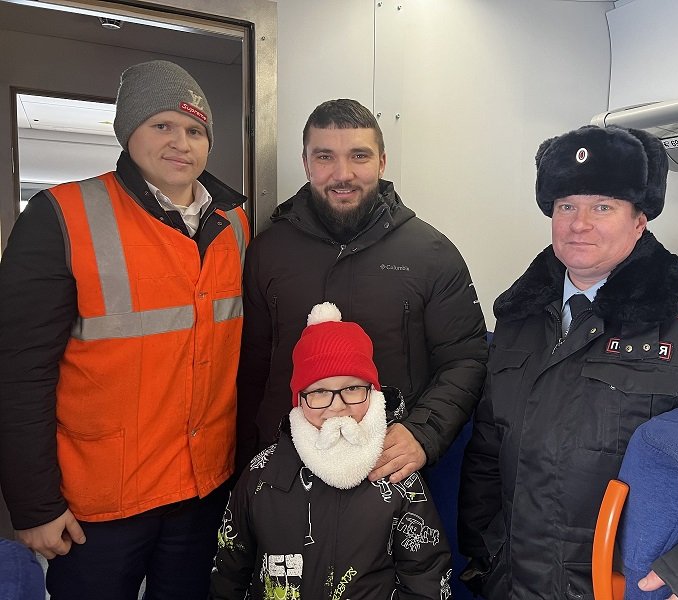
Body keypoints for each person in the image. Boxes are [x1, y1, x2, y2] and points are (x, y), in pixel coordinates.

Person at [458, 125, 678, 600]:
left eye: (603, 206)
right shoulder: (519, 318)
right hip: (512, 583)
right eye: (566, 206)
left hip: (618, 588)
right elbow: (489, 451)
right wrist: (484, 559)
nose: (579, 224)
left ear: (640, 219)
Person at [0, 60, 250, 599]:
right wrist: (34, 505)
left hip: (203, 490)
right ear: (128, 132)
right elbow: (19, 373)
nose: (181, 142)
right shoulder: (61, 215)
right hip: (99, 503)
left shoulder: (235, 223)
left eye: (195, 130)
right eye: (162, 125)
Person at [236, 98, 487, 484]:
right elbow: (249, 371)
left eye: (359, 156)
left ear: (382, 162)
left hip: (390, 473)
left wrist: (423, 432)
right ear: (306, 163)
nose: (343, 174)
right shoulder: (266, 252)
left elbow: (466, 359)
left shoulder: (432, 254)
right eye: (325, 157)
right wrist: (243, 468)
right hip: (286, 473)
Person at [210, 302, 452, 598]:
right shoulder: (262, 474)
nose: (337, 406)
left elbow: (426, 577)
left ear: (372, 392)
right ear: (299, 399)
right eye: (320, 392)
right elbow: (230, 571)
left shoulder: (397, 470)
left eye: (352, 388)